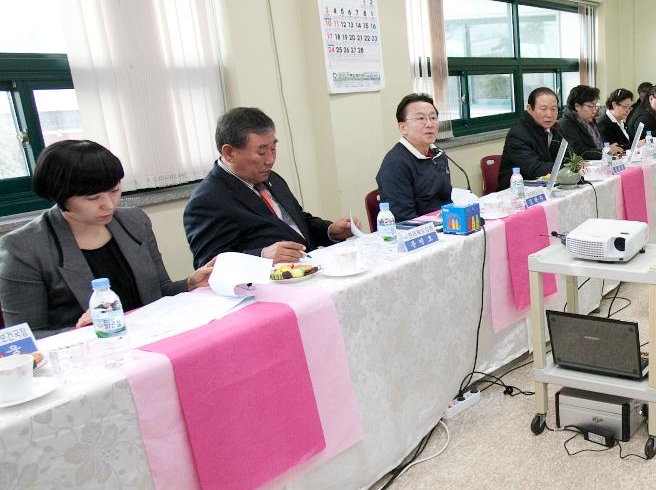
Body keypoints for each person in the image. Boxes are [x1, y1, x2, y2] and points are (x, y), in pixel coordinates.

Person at [0, 140, 215, 337]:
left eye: (114, 191)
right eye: (92, 198)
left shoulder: (134, 222)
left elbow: (158, 291)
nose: (109, 205)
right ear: (60, 195)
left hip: (151, 340)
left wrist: (189, 283)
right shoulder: (23, 247)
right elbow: (24, 338)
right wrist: (85, 330)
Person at [185, 107, 357, 267]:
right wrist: (262, 256)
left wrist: (330, 231)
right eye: (261, 152)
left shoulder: (270, 177)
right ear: (229, 153)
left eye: (273, 149)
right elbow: (209, 265)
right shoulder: (207, 200)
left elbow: (296, 222)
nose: (270, 160)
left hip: (308, 270)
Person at [375, 93, 452, 222]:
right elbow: (403, 219)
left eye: (433, 118)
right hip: (419, 233)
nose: (429, 124)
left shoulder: (438, 154)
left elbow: (446, 198)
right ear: (403, 128)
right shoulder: (395, 164)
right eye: (421, 118)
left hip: (447, 225)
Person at [497, 87, 565, 191]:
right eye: (543, 109)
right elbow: (535, 169)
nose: (549, 115)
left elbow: (568, 155)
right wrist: (568, 168)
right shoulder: (518, 134)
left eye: (553, 109)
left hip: (548, 186)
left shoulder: (555, 129)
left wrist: (575, 164)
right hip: (517, 193)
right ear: (530, 109)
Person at [558, 85, 623, 161]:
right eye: (590, 106)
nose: (594, 110)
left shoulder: (589, 120)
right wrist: (606, 151)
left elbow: (600, 144)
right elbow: (578, 152)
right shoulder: (566, 124)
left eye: (595, 106)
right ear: (577, 106)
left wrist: (609, 149)